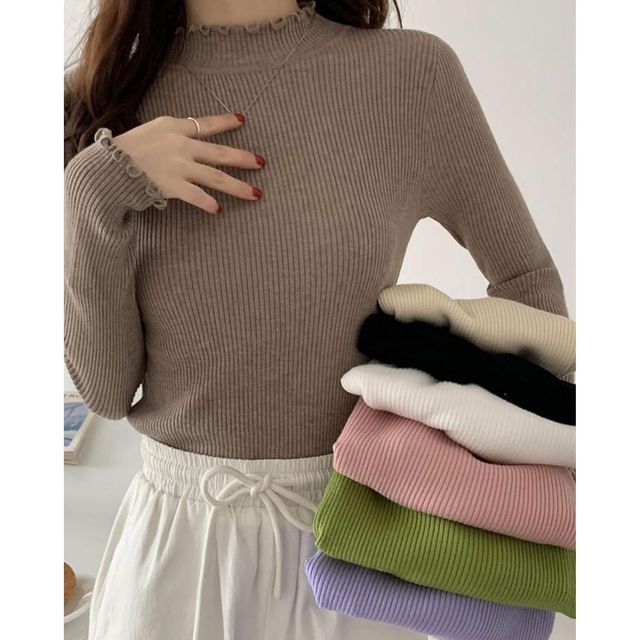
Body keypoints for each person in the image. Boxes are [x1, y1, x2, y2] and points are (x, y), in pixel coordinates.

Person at [63, 1, 570, 638]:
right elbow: (107, 392)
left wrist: (483, 461)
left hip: (362, 543)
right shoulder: (98, 98)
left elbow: (527, 283)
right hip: (178, 551)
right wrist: (94, 190)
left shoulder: (410, 76)